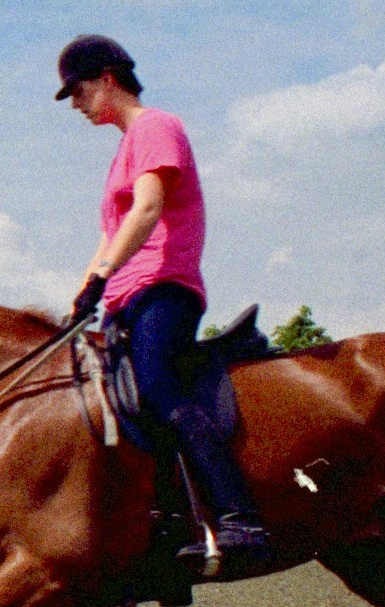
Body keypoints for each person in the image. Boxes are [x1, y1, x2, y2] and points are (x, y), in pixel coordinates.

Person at [57, 33, 271, 576]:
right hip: (125, 294)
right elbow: (110, 236)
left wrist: (101, 278)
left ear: (108, 79)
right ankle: (164, 525)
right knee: (109, 405)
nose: (77, 106)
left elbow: (149, 207)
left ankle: (240, 517)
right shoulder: (120, 152)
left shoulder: (156, 126)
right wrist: (84, 294)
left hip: (164, 285)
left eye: (79, 92)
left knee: (156, 386)